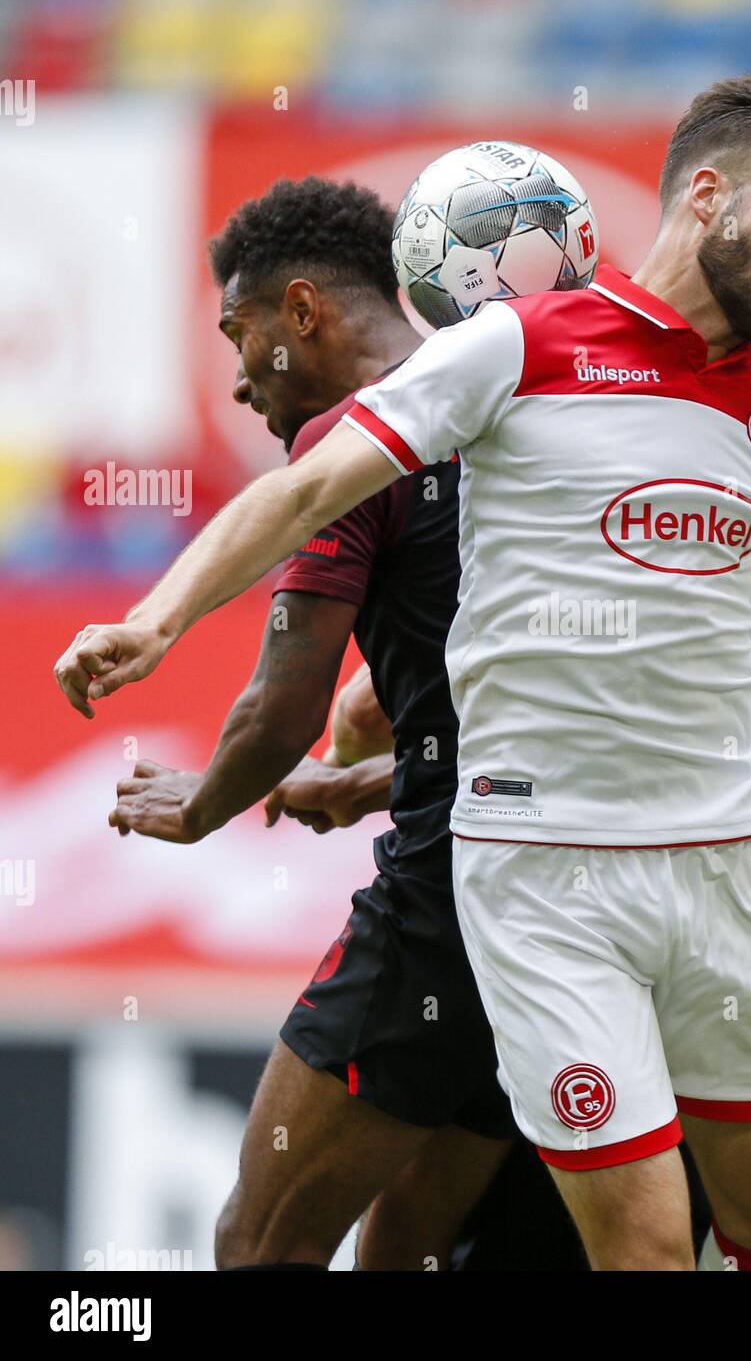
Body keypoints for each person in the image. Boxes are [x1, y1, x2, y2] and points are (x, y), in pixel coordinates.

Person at [56, 72, 751, 1272]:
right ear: (707, 192)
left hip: (733, 864)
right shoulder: (516, 346)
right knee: (636, 1251)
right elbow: (309, 487)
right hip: (541, 879)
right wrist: (159, 618)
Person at [106, 176, 515, 1270]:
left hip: (448, 903)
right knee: (411, 1250)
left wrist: (202, 807)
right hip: (584, 914)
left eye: (240, 336)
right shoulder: (521, 419)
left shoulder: (353, 438)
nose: (240, 381)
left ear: (302, 313)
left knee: (258, 1244)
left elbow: (284, 704)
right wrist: (367, 780)